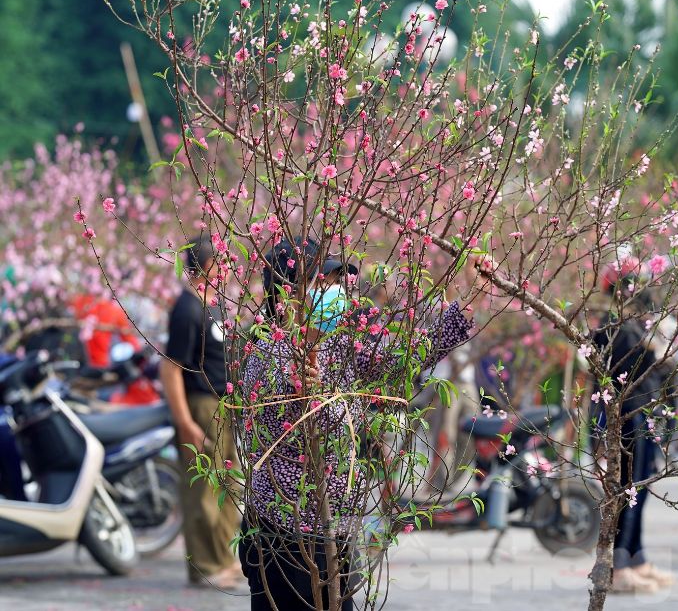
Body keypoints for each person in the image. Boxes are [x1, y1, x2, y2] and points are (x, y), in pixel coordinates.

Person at [238, 239, 473, 610]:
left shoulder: (343, 345)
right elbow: (270, 402)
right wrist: (299, 382)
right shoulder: (267, 348)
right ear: (289, 293)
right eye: (322, 282)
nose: (333, 292)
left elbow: (406, 360)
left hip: (333, 530)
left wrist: (468, 296)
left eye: (334, 282)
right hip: (283, 534)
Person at [161, 234, 241, 590]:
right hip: (199, 406)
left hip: (222, 407)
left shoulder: (214, 304)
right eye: (219, 262)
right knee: (202, 493)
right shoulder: (187, 308)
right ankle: (205, 566)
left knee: (227, 488)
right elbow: (171, 367)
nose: (225, 269)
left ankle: (225, 558)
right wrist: (184, 421)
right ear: (202, 266)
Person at [592, 261, 675, 594]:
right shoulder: (618, 327)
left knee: (638, 491)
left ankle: (635, 557)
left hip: (641, 415)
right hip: (627, 418)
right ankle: (618, 565)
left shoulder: (633, 324)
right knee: (627, 492)